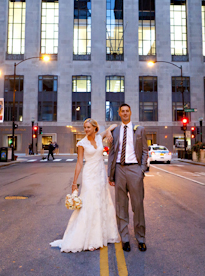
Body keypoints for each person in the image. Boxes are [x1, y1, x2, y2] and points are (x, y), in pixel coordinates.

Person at [50, 119, 120, 252]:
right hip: (89, 176)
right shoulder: (81, 143)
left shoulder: (100, 138)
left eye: (88, 127)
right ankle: (90, 237)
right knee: (89, 203)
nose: (86, 130)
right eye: (85, 127)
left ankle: (102, 234)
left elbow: (114, 125)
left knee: (101, 202)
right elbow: (79, 163)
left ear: (95, 128)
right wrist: (74, 182)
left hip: (100, 176)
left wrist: (109, 131)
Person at [108, 103, 149, 252]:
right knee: (121, 206)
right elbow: (112, 153)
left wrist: (141, 169)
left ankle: (141, 238)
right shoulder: (115, 131)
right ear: (119, 113)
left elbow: (145, 150)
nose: (125, 113)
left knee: (138, 205)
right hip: (119, 169)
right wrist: (110, 174)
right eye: (122, 111)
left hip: (134, 170)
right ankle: (124, 238)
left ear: (130, 113)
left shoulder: (140, 130)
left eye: (127, 111)